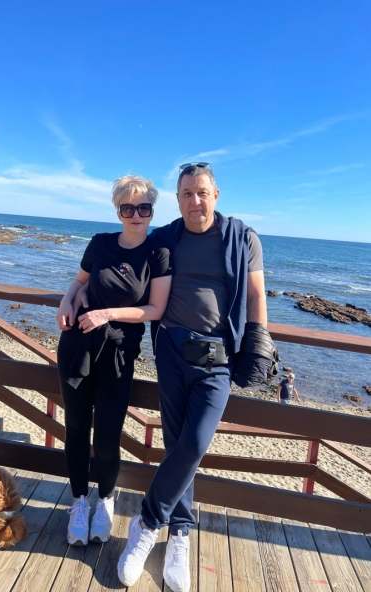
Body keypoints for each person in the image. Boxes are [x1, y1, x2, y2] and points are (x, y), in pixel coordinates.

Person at [116, 163, 269, 592]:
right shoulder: (166, 237)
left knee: (195, 442)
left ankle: (147, 523)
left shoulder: (242, 238)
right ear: (178, 199)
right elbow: (126, 261)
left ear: (216, 195)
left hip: (217, 358)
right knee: (176, 443)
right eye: (186, 193)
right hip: (170, 351)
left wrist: (257, 342)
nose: (195, 201)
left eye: (202, 192)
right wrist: (79, 292)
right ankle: (180, 532)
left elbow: (256, 294)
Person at [56, 175, 172, 547]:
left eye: (143, 208)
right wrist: (67, 300)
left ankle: (105, 500)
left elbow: (155, 309)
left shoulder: (158, 252)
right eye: (127, 207)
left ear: (152, 210)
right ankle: (78, 501)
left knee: (107, 437)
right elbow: (79, 281)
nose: (136, 214)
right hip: (77, 344)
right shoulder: (100, 243)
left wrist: (106, 313)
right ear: (117, 210)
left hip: (119, 354)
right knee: (76, 427)